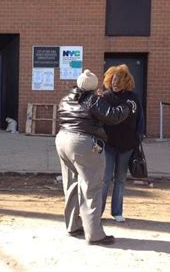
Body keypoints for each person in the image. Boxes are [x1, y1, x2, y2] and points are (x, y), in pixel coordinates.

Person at [56, 69, 137, 245]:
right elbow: (113, 116)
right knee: (91, 187)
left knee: (71, 184)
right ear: (93, 87)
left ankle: (73, 225)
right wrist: (127, 107)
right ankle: (94, 234)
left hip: (62, 139)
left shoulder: (66, 99)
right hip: (83, 142)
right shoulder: (93, 99)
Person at [101, 64, 145, 223]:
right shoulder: (105, 97)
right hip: (109, 144)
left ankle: (117, 212)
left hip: (127, 145)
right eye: (113, 80)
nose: (115, 83)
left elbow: (140, 119)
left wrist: (139, 136)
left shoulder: (133, 98)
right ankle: (98, 212)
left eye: (118, 81)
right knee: (105, 178)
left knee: (120, 178)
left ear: (126, 82)